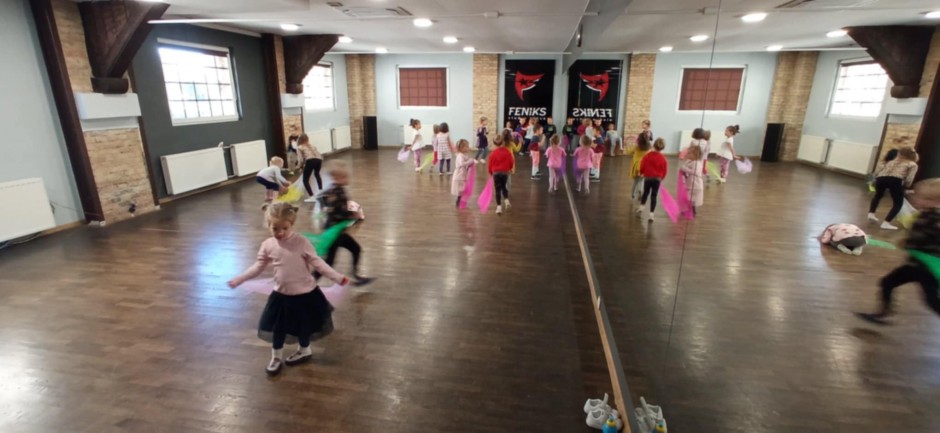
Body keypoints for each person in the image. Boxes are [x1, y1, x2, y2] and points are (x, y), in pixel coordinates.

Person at [228, 203, 350, 376]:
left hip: (306, 295)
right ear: (268, 225)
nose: (280, 233)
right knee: (278, 328)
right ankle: (276, 357)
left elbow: (318, 263)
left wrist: (337, 277)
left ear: (291, 224)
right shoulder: (268, 245)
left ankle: (304, 350)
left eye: (285, 228)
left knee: (304, 325)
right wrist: (240, 279)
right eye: (275, 228)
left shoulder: (301, 242)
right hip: (282, 295)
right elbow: (258, 266)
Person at [856, 178, 940, 325]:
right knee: (887, 282)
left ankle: (883, 312)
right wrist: (908, 241)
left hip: (926, 268)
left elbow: (925, 238)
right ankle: (883, 312)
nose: (914, 199)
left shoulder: (934, 218)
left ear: (934, 201)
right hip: (915, 265)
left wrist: (909, 242)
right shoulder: (925, 214)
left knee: (931, 300)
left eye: (920, 197)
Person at [318, 161, 373, 285]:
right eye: (344, 177)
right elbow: (336, 212)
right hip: (333, 233)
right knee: (329, 262)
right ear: (335, 178)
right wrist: (352, 216)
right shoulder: (335, 192)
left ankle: (355, 275)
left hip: (338, 232)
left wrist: (352, 214)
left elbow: (325, 200)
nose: (347, 179)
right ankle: (310, 281)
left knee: (355, 249)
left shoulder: (337, 190)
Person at [868, 147, 919, 230]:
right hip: (896, 180)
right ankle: (886, 223)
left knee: (878, 196)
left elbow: (880, 171)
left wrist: (874, 180)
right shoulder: (912, 164)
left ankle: (871, 213)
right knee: (898, 203)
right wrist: (906, 186)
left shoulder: (891, 161)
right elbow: (909, 179)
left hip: (881, 178)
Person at [638, 138, 667, 221]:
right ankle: (651, 214)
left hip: (648, 177)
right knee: (654, 196)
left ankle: (641, 207)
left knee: (645, 192)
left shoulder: (648, 155)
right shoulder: (663, 158)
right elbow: (664, 170)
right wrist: (662, 177)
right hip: (657, 179)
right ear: (662, 148)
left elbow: (642, 164)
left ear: (654, 145)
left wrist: (641, 172)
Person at [488, 131, 515, 215]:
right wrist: (510, 168)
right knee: (504, 186)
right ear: (503, 142)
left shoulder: (492, 154)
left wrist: (490, 172)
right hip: (505, 172)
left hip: (496, 173)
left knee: (497, 190)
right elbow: (511, 161)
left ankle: (499, 207)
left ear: (494, 143)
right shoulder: (507, 151)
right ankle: (506, 200)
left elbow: (490, 164)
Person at [296, 134, 323, 202]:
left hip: (310, 161)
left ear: (299, 140)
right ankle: (321, 192)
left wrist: (299, 167)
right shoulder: (312, 146)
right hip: (319, 160)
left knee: (305, 180)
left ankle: (312, 197)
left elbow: (301, 159)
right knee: (317, 174)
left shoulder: (299, 147)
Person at [679, 144, 705, 214]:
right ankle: (689, 210)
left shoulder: (697, 163)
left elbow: (695, 172)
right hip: (690, 183)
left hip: (695, 184)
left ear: (695, 155)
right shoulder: (689, 161)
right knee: (689, 198)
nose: (687, 154)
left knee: (691, 198)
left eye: (690, 153)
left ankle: (691, 210)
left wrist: (684, 169)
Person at [452, 139, 476, 207]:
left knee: (462, 190)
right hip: (459, 176)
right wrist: (470, 161)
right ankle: (459, 202)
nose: (468, 148)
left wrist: (470, 162)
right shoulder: (460, 156)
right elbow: (462, 164)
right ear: (462, 148)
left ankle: (460, 201)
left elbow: (466, 164)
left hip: (462, 175)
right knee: (461, 190)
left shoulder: (463, 155)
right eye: (467, 146)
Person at [630, 131, 652, 200]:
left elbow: (630, 152)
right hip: (644, 166)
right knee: (641, 180)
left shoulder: (637, 146)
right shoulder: (649, 147)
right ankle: (640, 190)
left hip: (636, 165)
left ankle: (633, 194)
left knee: (635, 181)